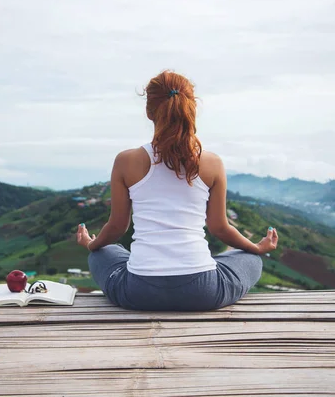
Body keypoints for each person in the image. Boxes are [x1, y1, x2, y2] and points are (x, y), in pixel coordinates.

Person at [75, 70, 278, 311]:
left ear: (149, 111)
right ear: (191, 108)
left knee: (102, 252)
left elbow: (117, 227)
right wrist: (256, 248)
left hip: (138, 292)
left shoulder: (125, 161)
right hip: (202, 292)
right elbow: (219, 228)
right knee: (249, 258)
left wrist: (91, 244)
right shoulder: (212, 163)